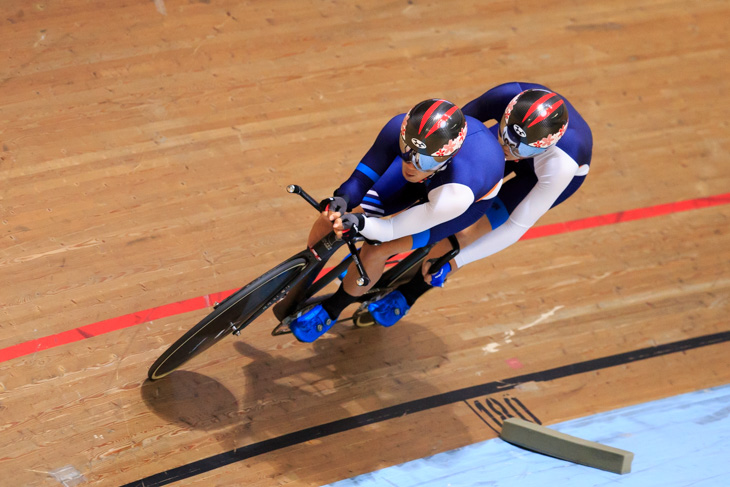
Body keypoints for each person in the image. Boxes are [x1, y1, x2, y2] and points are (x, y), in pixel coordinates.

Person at [360, 81, 593, 327]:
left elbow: (515, 227)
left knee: (463, 233)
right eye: (505, 136)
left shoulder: (561, 166)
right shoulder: (506, 96)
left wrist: (457, 260)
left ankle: (410, 293)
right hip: (512, 144)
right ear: (506, 116)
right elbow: (444, 137)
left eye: (517, 147)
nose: (507, 148)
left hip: (539, 179)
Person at [287, 98, 506, 342]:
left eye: (422, 159)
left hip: (459, 203)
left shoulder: (456, 194)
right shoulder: (402, 133)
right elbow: (360, 180)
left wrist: (361, 225)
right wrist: (342, 200)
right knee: (331, 218)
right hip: (433, 176)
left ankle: (331, 310)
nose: (411, 164)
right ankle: (301, 276)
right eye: (406, 152)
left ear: (446, 158)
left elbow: (390, 230)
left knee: (377, 249)